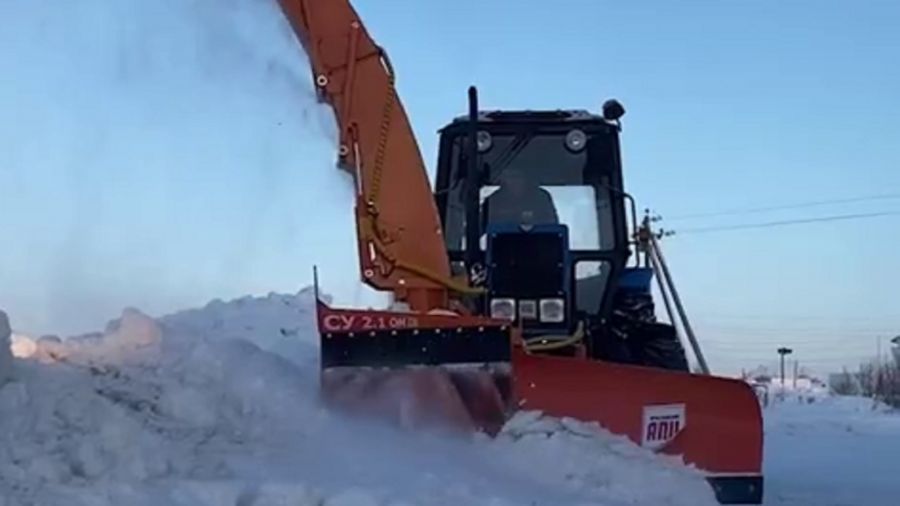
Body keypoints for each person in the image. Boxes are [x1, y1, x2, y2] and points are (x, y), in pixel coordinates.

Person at [481, 170, 559, 228]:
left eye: (517, 176)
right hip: (502, 245)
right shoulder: (494, 200)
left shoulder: (541, 198)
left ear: (525, 178)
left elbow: (552, 224)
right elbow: (479, 227)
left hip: (539, 243)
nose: (514, 181)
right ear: (504, 179)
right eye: (510, 177)